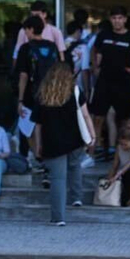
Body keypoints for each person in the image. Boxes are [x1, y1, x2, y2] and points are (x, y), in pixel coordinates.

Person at [29, 63, 87, 225]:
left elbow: (38, 125)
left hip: (52, 141)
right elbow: (86, 115)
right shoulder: (75, 92)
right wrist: (92, 135)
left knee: (57, 180)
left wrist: (38, 145)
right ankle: (76, 197)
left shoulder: (43, 95)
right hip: (75, 139)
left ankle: (58, 217)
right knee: (75, 166)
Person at [89, 7, 130, 157]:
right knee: (98, 116)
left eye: (120, 18)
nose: (117, 21)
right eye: (114, 18)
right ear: (110, 20)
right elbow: (94, 50)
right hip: (104, 81)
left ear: (125, 19)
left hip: (124, 83)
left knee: (124, 119)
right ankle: (97, 147)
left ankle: (124, 149)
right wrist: (95, 67)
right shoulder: (103, 35)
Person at [12, 16, 63, 152]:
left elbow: (23, 75)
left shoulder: (26, 48)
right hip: (52, 93)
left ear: (31, 29)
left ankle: (37, 155)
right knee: (47, 125)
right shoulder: (52, 46)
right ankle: (47, 154)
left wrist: (20, 99)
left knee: (29, 126)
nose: (25, 34)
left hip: (31, 94)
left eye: (26, 30)